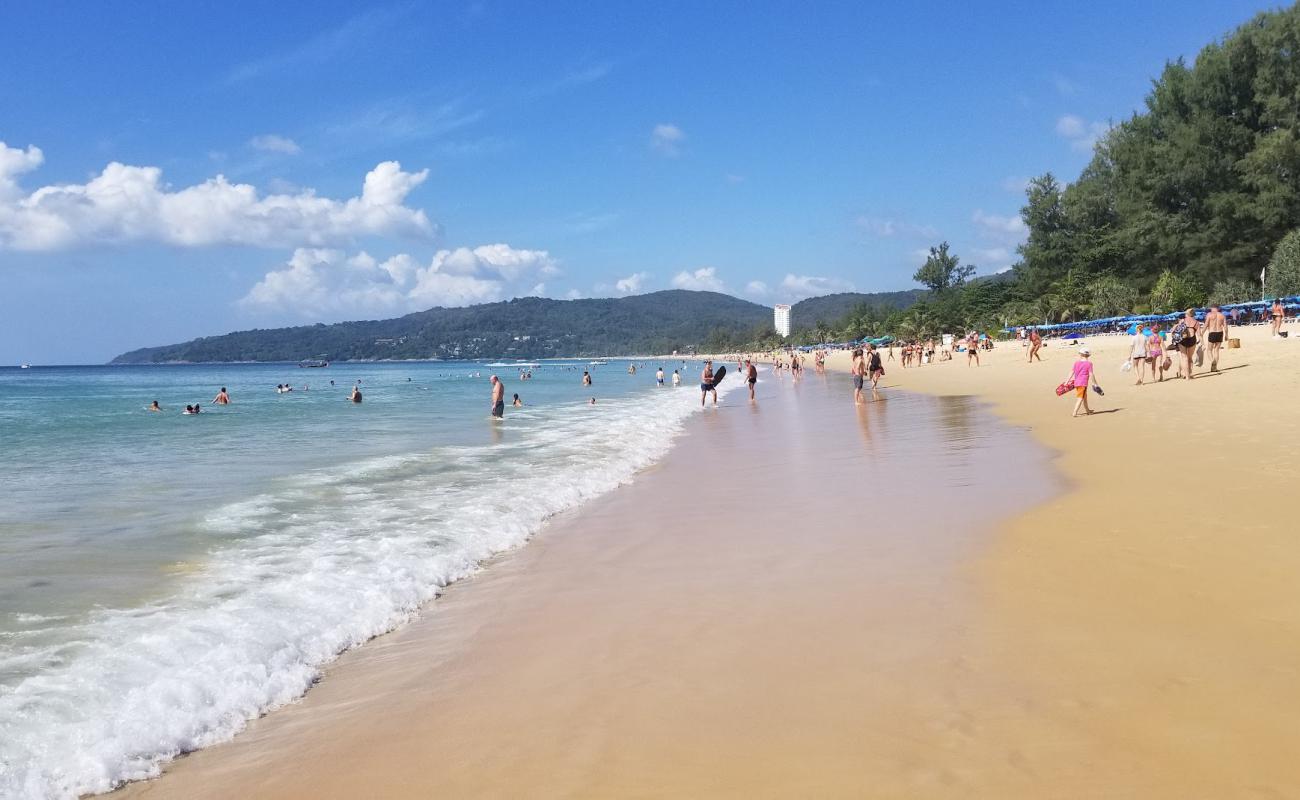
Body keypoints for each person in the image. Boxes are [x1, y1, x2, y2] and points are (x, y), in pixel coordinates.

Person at [1069, 347, 1101, 417]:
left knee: (1084, 397)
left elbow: (1072, 372)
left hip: (1076, 382)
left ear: (1080, 354)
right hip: (1083, 383)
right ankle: (1074, 413)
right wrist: (1095, 383)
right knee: (1080, 398)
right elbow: (1091, 374)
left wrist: (1067, 381)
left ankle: (1088, 410)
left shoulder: (1076, 363)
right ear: (1088, 355)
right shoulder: (1089, 363)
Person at [1176, 308, 1200, 380]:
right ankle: (1190, 373)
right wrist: (1202, 343)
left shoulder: (1182, 320)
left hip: (1183, 339)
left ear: (1187, 313)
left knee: (1184, 358)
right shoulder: (1196, 322)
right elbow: (1199, 334)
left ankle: (1186, 376)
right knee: (1189, 358)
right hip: (1192, 339)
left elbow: (1177, 330)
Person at [1204, 304, 1227, 372]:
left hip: (1212, 332)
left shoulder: (1209, 315)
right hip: (1220, 333)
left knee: (1209, 350)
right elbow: (1225, 326)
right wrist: (1226, 335)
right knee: (1216, 350)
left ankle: (1212, 361)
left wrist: (1201, 333)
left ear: (1213, 308)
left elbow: (1205, 325)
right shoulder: (1222, 315)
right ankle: (1215, 367)